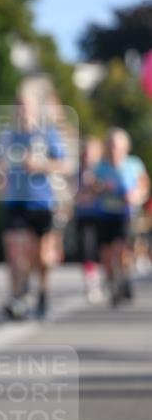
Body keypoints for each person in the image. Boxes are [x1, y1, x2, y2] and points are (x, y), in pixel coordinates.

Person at [0, 94, 68, 320]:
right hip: (15, 201)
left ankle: (43, 293)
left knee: (42, 256)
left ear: (36, 110)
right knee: (14, 249)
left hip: (41, 201)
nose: (23, 111)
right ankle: (17, 296)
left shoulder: (48, 135)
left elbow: (64, 165)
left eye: (27, 107)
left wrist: (41, 165)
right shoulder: (8, 136)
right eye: (19, 106)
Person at [93, 128, 146, 305]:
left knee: (122, 251)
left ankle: (123, 279)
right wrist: (100, 188)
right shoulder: (100, 167)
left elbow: (144, 187)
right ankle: (112, 285)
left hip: (125, 214)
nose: (113, 148)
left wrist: (135, 195)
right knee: (107, 255)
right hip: (105, 214)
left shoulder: (134, 164)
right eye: (110, 145)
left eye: (116, 145)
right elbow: (91, 187)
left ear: (125, 147)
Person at [74, 136, 105, 303]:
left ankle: (111, 280)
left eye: (92, 153)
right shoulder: (77, 172)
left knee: (104, 251)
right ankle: (91, 284)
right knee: (87, 250)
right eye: (86, 152)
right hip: (84, 216)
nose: (88, 156)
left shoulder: (103, 170)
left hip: (104, 215)